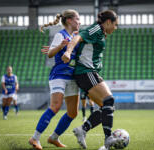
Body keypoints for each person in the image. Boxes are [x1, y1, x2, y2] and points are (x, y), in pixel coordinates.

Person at [62, 10, 122, 150]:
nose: (116, 27)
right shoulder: (96, 29)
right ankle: (108, 140)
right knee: (109, 101)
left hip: (89, 73)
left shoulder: (101, 33)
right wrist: (68, 52)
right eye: (115, 24)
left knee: (107, 107)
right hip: (85, 72)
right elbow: (77, 38)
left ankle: (82, 129)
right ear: (108, 22)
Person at [29, 9, 80, 150]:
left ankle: (54, 138)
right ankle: (35, 138)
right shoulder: (60, 34)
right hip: (59, 76)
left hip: (72, 78)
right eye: (78, 19)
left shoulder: (75, 36)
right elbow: (50, 54)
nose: (80, 22)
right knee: (55, 107)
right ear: (69, 20)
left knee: (73, 113)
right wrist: (60, 46)